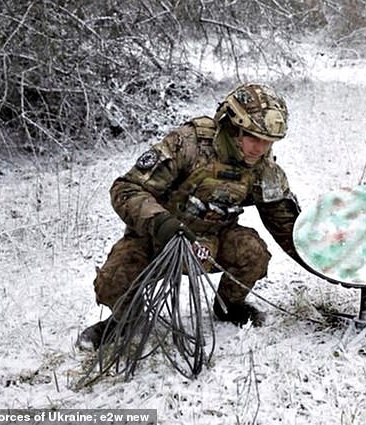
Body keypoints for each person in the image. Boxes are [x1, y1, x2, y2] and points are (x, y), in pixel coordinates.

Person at [77, 83, 306, 350]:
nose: (260, 148)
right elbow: (126, 188)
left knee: (252, 252)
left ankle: (229, 307)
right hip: (157, 238)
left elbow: (287, 226)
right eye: (253, 138)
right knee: (114, 280)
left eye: (268, 142)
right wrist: (161, 223)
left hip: (212, 242)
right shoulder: (188, 144)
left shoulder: (264, 169)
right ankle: (124, 320)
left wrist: (331, 266)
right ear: (233, 128)